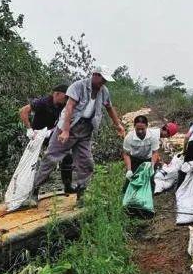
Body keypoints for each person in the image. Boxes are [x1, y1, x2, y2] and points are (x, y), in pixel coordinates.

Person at [29, 66, 126, 207]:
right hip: (69, 126)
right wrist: (66, 131)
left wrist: (118, 125)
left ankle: (81, 195)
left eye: (106, 80)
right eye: (102, 79)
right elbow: (69, 108)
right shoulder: (78, 86)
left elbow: (109, 107)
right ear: (95, 75)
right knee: (50, 158)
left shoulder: (104, 91)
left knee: (86, 162)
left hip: (86, 129)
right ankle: (34, 191)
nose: (104, 83)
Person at [19, 84, 74, 194]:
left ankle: (67, 186)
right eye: (65, 97)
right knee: (36, 163)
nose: (67, 99)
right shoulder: (43, 102)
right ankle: (33, 191)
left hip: (50, 134)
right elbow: (23, 111)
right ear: (57, 94)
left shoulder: (63, 106)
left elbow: (65, 121)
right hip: (37, 136)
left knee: (67, 156)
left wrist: (52, 131)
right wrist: (29, 129)